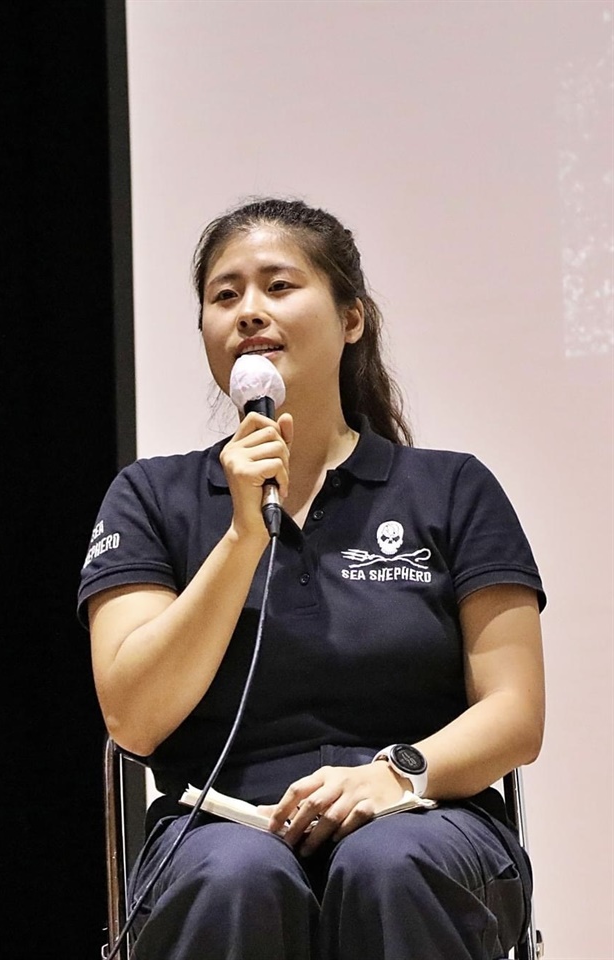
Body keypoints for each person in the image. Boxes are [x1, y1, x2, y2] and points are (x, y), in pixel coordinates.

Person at [78, 198, 544, 960]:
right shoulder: (151, 497)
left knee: (389, 863)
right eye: (224, 296)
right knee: (236, 878)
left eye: (279, 286)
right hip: (220, 831)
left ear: (351, 319)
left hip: (422, 817)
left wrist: (398, 776)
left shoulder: (451, 489)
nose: (249, 312)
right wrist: (238, 535)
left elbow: (516, 714)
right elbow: (134, 718)